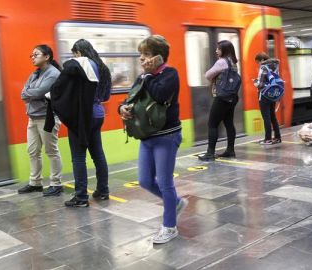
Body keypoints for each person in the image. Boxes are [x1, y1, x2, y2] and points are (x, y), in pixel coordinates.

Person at [119, 35, 188, 244]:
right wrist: (121, 109)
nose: (142, 59)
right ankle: (175, 203)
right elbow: (129, 98)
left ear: (159, 57)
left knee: (166, 182)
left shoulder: (169, 74)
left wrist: (148, 77)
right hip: (147, 135)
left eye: (146, 54)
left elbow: (160, 95)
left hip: (167, 136)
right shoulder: (142, 77)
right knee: (145, 180)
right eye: (141, 54)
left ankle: (169, 227)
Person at [46, 39, 112, 207]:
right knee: (98, 154)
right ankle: (103, 191)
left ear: (79, 53)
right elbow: (105, 97)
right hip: (98, 114)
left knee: (78, 157)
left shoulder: (80, 65)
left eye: (74, 53)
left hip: (82, 117)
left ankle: (81, 197)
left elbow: (66, 89)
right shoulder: (102, 68)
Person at [18, 45, 63, 196]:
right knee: (32, 151)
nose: (33, 57)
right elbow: (24, 92)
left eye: (36, 54)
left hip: (47, 117)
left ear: (47, 56)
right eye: (31, 55)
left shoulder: (53, 73)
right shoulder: (35, 73)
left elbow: (39, 92)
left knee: (51, 151)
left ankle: (56, 184)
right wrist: (29, 93)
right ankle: (35, 183)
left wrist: (28, 93)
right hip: (33, 117)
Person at [198, 40, 239, 161]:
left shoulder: (221, 62)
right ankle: (230, 150)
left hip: (222, 97)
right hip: (232, 97)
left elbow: (208, 75)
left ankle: (210, 153)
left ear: (224, 50)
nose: (216, 51)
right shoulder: (233, 62)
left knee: (212, 124)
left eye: (218, 49)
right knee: (229, 123)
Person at [254, 52, 281, 145]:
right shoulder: (275, 66)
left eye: (258, 62)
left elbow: (260, 84)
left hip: (264, 95)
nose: (258, 64)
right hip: (273, 94)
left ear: (261, 60)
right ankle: (277, 137)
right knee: (273, 116)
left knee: (266, 117)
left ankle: (268, 139)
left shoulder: (263, 67)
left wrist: (255, 83)